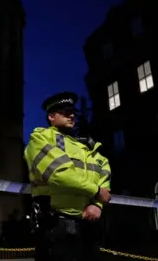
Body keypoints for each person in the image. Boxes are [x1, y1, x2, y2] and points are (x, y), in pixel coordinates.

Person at [24, 92, 112, 261]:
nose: (71, 115)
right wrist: (95, 192)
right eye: (65, 112)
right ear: (51, 116)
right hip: (56, 226)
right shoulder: (41, 138)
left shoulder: (86, 146)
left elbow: (104, 172)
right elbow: (58, 174)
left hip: (89, 226)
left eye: (73, 112)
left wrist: (98, 206)